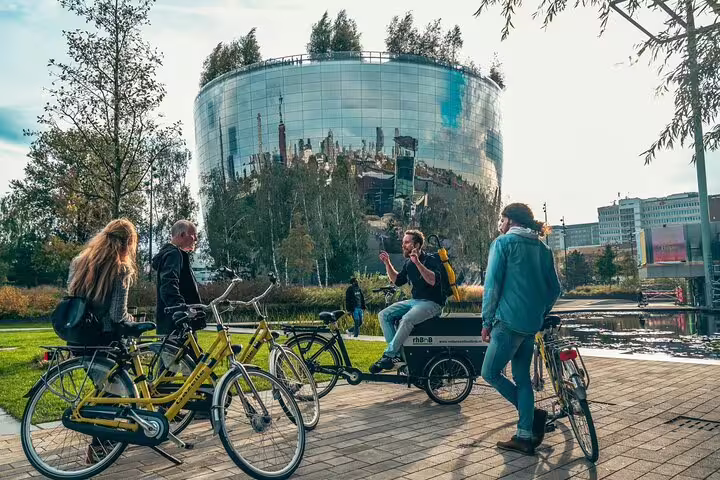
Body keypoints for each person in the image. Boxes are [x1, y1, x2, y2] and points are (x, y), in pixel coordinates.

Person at [481, 203, 562, 455]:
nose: (501, 225)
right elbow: (555, 290)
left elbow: (492, 286)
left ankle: (531, 416)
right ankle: (524, 435)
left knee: (490, 373)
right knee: (522, 379)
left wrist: (486, 321)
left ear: (510, 220)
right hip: (530, 326)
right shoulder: (543, 248)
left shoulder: (503, 243)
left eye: (502, 220)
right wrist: (540, 312)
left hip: (506, 323)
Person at [66, 218, 138, 464]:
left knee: (105, 389)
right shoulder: (121, 269)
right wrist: (132, 319)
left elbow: (74, 297)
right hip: (103, 339)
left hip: (77, 337)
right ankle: (99, 446)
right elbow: (118, 315)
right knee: (116, 391)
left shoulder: (79, 262)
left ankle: (103, 443)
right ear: (128, 243)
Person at [370, 230, 444, 373]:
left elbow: (433, 280)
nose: (403, 245)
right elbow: (397, 281)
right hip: (415, 301)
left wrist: (417, 263)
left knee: (407, 319)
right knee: (383, 315)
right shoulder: (408, 263)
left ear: (416, 245)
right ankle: (396, 357)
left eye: (407, 242)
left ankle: (389, 355)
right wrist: (387, 263)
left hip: (433, 303)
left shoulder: (432, 259)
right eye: (403, 242)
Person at [152, 220, 201, 335]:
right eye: (194, 234)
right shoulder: (174, 254)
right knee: (188, 352)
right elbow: (168, 284)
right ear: (182, 235)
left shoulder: (170, 254)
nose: (196, 239)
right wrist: (180, 309)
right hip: (178, 322)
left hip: (172, 321)